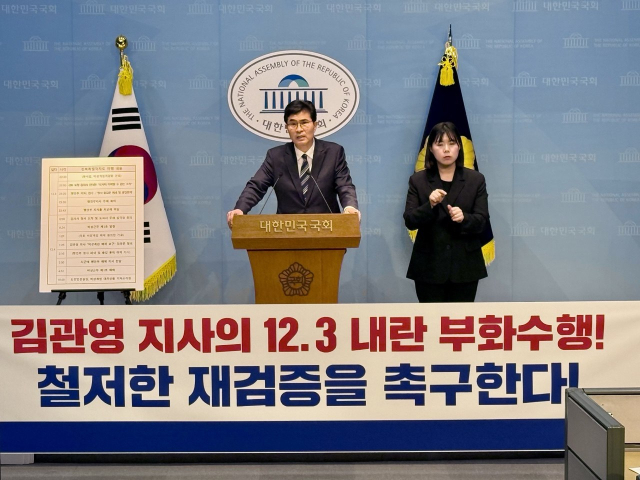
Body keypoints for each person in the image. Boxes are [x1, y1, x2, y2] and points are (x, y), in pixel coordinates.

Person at [227, 99, 359, 228]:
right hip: (286, 231)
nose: (299, 129)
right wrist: (240, 209)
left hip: (327, 229)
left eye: (304, 122)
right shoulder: (276, 157)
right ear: (286, 128)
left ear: (315, 125)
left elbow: (344, 185)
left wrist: (350, 207)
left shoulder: (333, 153)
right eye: (293, 124)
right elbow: (256, 186)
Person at [403, 121, 489, 303]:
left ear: (459, 146)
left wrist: (464, 218)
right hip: (428, 266)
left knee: (461, 318)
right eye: (440, 144)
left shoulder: (476, 180)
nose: (446, 150)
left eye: (451, 143)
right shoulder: (418, 180)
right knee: (431, 318)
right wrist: (429, 205)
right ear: (431, 149)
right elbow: (410, 220)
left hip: (465, 266)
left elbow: (482, 221)